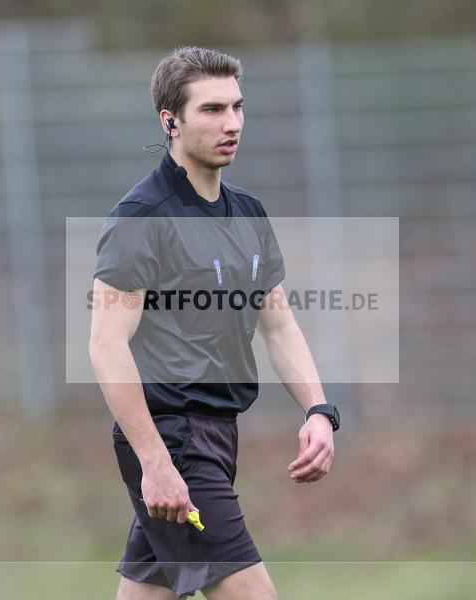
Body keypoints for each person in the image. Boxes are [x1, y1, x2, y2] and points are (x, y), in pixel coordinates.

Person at [90, 46, 340, 600]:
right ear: (170, 120)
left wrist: (319, 411)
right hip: (174, 439)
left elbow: (278, 327)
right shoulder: (143, 218)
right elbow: (107, 347)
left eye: (237, 107)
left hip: (217, 435)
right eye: (212, 110)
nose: (232, 124)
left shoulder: (247, 212)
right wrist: (156, 462)